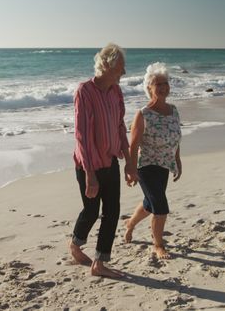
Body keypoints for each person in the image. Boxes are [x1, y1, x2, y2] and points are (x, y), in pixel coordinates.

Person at [69, 43, 136, 278]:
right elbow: (82, 136)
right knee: (91, 210)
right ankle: (75, 246)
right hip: (88, 164)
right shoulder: (84, 91)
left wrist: (128, 162)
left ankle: (99, 263)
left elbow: (119, 127)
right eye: (121, 67)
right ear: (107, 65)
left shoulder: (116, 92)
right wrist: (89, 173)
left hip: (110, 161)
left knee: (113, 211)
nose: (124, 72)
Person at [124, 62, 182, 259]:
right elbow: (133, 146)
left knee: (150, 204)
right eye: (158, 84)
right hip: (146, 166)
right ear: (149, 87)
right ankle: (158, 245)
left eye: (165, 83)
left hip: (164, 165)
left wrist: (177, 160)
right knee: (161, 206)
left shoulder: (174, 110)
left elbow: (176, 136)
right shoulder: (143, 114)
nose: (163, 87)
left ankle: (130, 223)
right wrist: (130, 169)